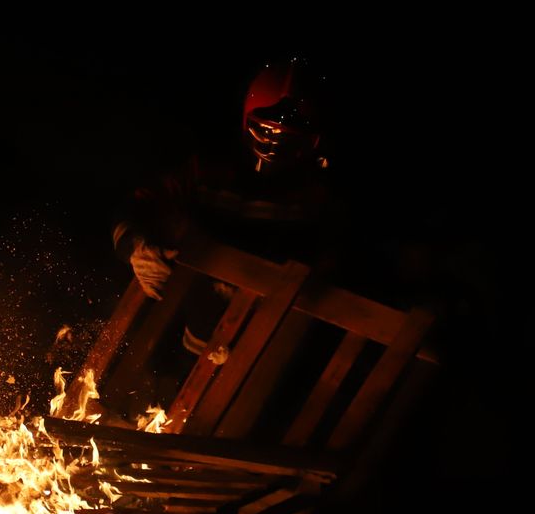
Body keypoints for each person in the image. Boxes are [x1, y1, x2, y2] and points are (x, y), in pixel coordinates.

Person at [103, 57, 357, 419]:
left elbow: (333, 270)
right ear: (247, 120)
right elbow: (137, 205)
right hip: (182, 341)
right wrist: (136, 249)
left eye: (288, 137)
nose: (273, 143)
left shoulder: (317, 197)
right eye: (265, 130)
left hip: (269, 363)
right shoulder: (210, 170)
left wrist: (277, 291)